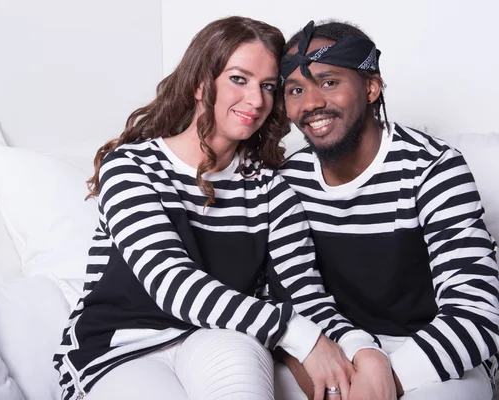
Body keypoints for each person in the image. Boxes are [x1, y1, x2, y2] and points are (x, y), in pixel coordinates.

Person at [53, 16, 363, 400]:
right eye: (239, 79)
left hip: (219, 337)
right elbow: (171, 282)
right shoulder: (132, 167)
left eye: (268, 86)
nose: (256, 100)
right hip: (120, 348)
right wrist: (298, 334)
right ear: (201, 83)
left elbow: (303, 292)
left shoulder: (269, 187)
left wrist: (361, 349)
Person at [274, 19, 499, 399]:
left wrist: (381, 380)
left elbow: (477, 313)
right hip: (335, 351)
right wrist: (348, 367)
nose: (311, 103)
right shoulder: (288, 180)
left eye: (329, 82)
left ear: (371, 87)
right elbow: (293, 300)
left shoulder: (432, 168)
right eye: (296, 89)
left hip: (433, 358)